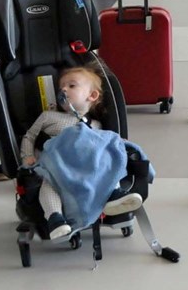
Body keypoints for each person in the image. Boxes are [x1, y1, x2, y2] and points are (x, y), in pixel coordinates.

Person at [20, 58, 142, 240]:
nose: (63, 89)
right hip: (59, 164)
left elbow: (102, 147)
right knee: (48, 182)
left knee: (109, 164)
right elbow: (29, 136)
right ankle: (55, 218)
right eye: (61, 87)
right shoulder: (49, 117)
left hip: (88, 166)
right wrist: (28, 155)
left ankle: (113, 195)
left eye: (71, 86)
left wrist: (117, 142)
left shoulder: (96, 125)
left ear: (91, 96)